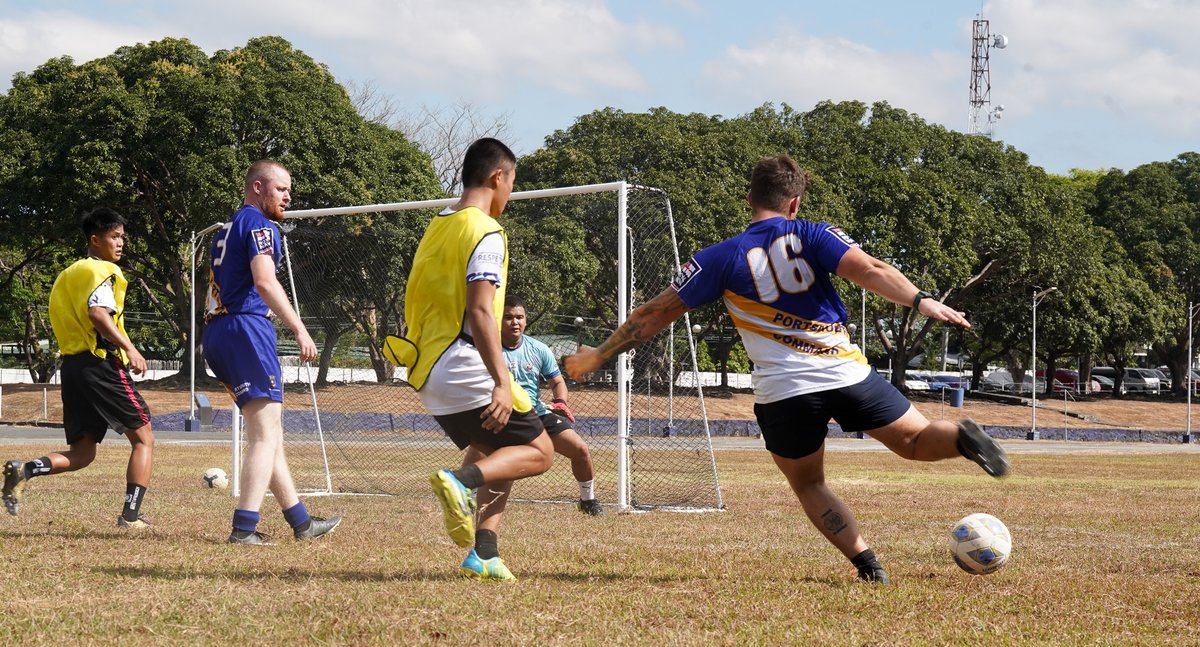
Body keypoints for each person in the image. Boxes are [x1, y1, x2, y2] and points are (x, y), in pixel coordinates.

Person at [564, 154, 1009, 584]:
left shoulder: (719, 257)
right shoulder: (814, 235)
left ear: (749, 198)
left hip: (783, 393)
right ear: (794, 203)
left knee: (809, 483)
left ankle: (869, 565)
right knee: (913, 442)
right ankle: (960, 435)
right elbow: (871, 269)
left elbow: (652, 314)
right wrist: (920, 300)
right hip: (845, 374)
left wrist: (599, 354)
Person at [386, 138, 553, 582]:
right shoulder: (486, 231)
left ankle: (484, 553)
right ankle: (460, 482)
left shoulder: (439, 224)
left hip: (427, 367)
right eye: (512, 183)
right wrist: (502, 380)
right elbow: (481, 310)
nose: (510, 194)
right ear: (498, 177)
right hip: (463, 361)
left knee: (496, 449)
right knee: (540, 453)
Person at [202, 159, 340, 545]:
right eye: (282, 189)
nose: (288, 196)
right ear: (258, 188)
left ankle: (301, 523)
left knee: (269, 432)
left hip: (217, 331)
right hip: (245, 328)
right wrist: (298, 327)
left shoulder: (227, 227)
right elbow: (264, 281)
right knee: (264, 435)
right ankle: (244, 529)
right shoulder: (261, 226)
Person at [2, 208, 155, 528]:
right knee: (143, 439)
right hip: (101, 364)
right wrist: (129, 347)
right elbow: (98, 314)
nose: (120, 243)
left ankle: (25, 470)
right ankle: (131, 517)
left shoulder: (66, 275)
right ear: (94, 239)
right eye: (114, 237)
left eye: (122, 237)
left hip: (72, 368)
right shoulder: (102, 272)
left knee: (83, 454)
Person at [500, 295, 606, 516]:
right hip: (503, 417)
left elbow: (558, 382)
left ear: (526, 320)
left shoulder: (539, 349)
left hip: (537, 414)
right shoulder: (488, 350)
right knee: (501, 470)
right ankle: (473, 500)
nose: (514, 322)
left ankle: (588, 501)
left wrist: (560, 402)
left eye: (519, 317)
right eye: (508, 317)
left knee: (580, 450)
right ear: (498, 320)